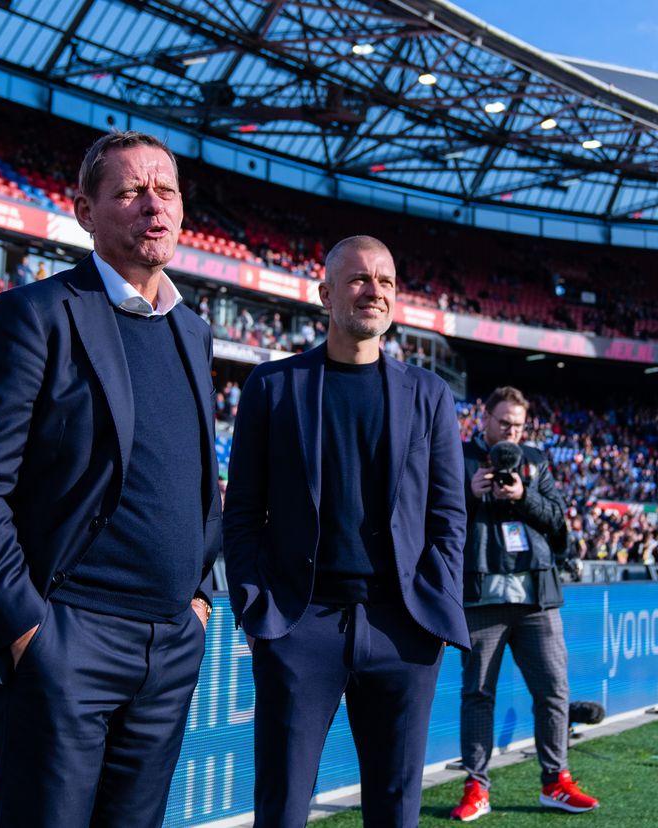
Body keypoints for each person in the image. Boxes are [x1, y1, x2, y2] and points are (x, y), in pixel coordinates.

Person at [0, 130, 222, 828]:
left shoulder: (193, 330)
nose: (152, 207)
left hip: (168, 644)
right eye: (129, 192)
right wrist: (30, 633)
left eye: (166, 191)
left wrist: (198, 597)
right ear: (84, 211)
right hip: (67, 643)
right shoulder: (35, 316)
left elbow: (196, 479)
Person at [223, 235, 468, 828]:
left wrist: (433, 611)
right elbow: (242, 510)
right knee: (280, 810)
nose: (374, 291)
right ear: (325, 293)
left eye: (385, 281)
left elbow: (449, 516)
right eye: (359, 279)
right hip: (299, 626)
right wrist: (258, 615)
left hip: (402, 630)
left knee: (395, 813)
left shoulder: (430, 395)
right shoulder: (273, 386)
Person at [451, 386, 599, 822]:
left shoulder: (536, 462)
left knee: (554, 692)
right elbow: (433, 519)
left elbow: (559, 525)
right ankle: (476, 786)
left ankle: (556, 781)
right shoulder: (458, 458)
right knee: (478, 694)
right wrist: (469, 493)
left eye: (517, 425)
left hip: (537, 598)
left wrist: (522, 497)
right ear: (485, 419)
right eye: (503, 423)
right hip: (481, 597)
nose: (511, 432)